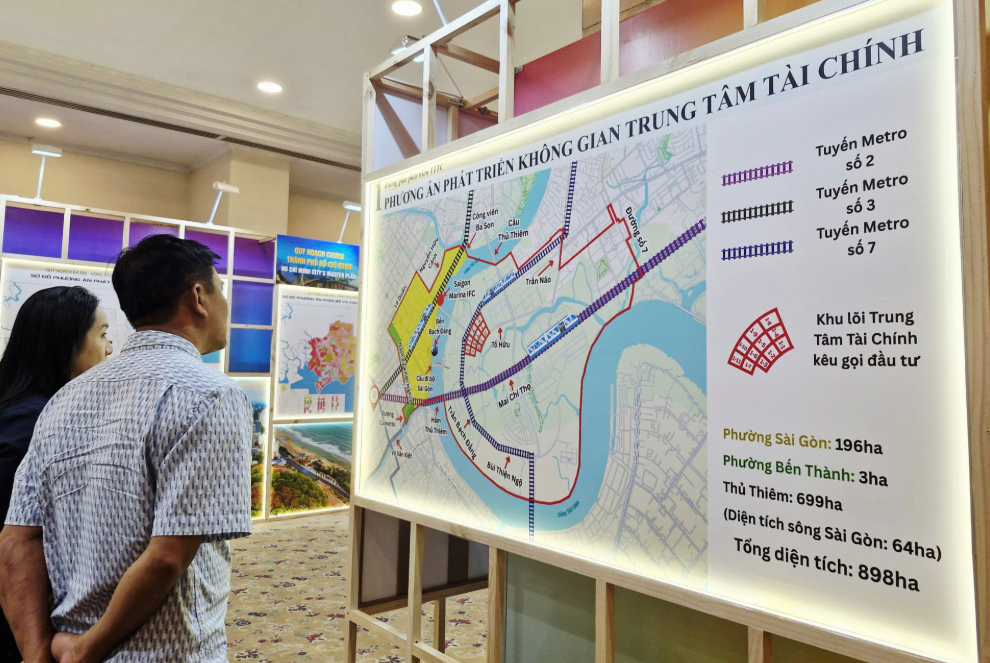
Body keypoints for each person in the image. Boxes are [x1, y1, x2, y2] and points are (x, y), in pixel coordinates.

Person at [0, 234, 253, 663]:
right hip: (168, 653)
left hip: (65, 645)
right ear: (198, 297)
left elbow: (16, 539)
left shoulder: (64, 398)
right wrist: (88, 649)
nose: (226, 304)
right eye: (221, 289)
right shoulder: (212, 395)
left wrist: (38, 653)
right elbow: (168, 557)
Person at [0, 286, 113, 662]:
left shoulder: (24, 405)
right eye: (102, 335)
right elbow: (18, 540)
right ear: (65, 343)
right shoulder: (34, 422)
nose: (109, 349)